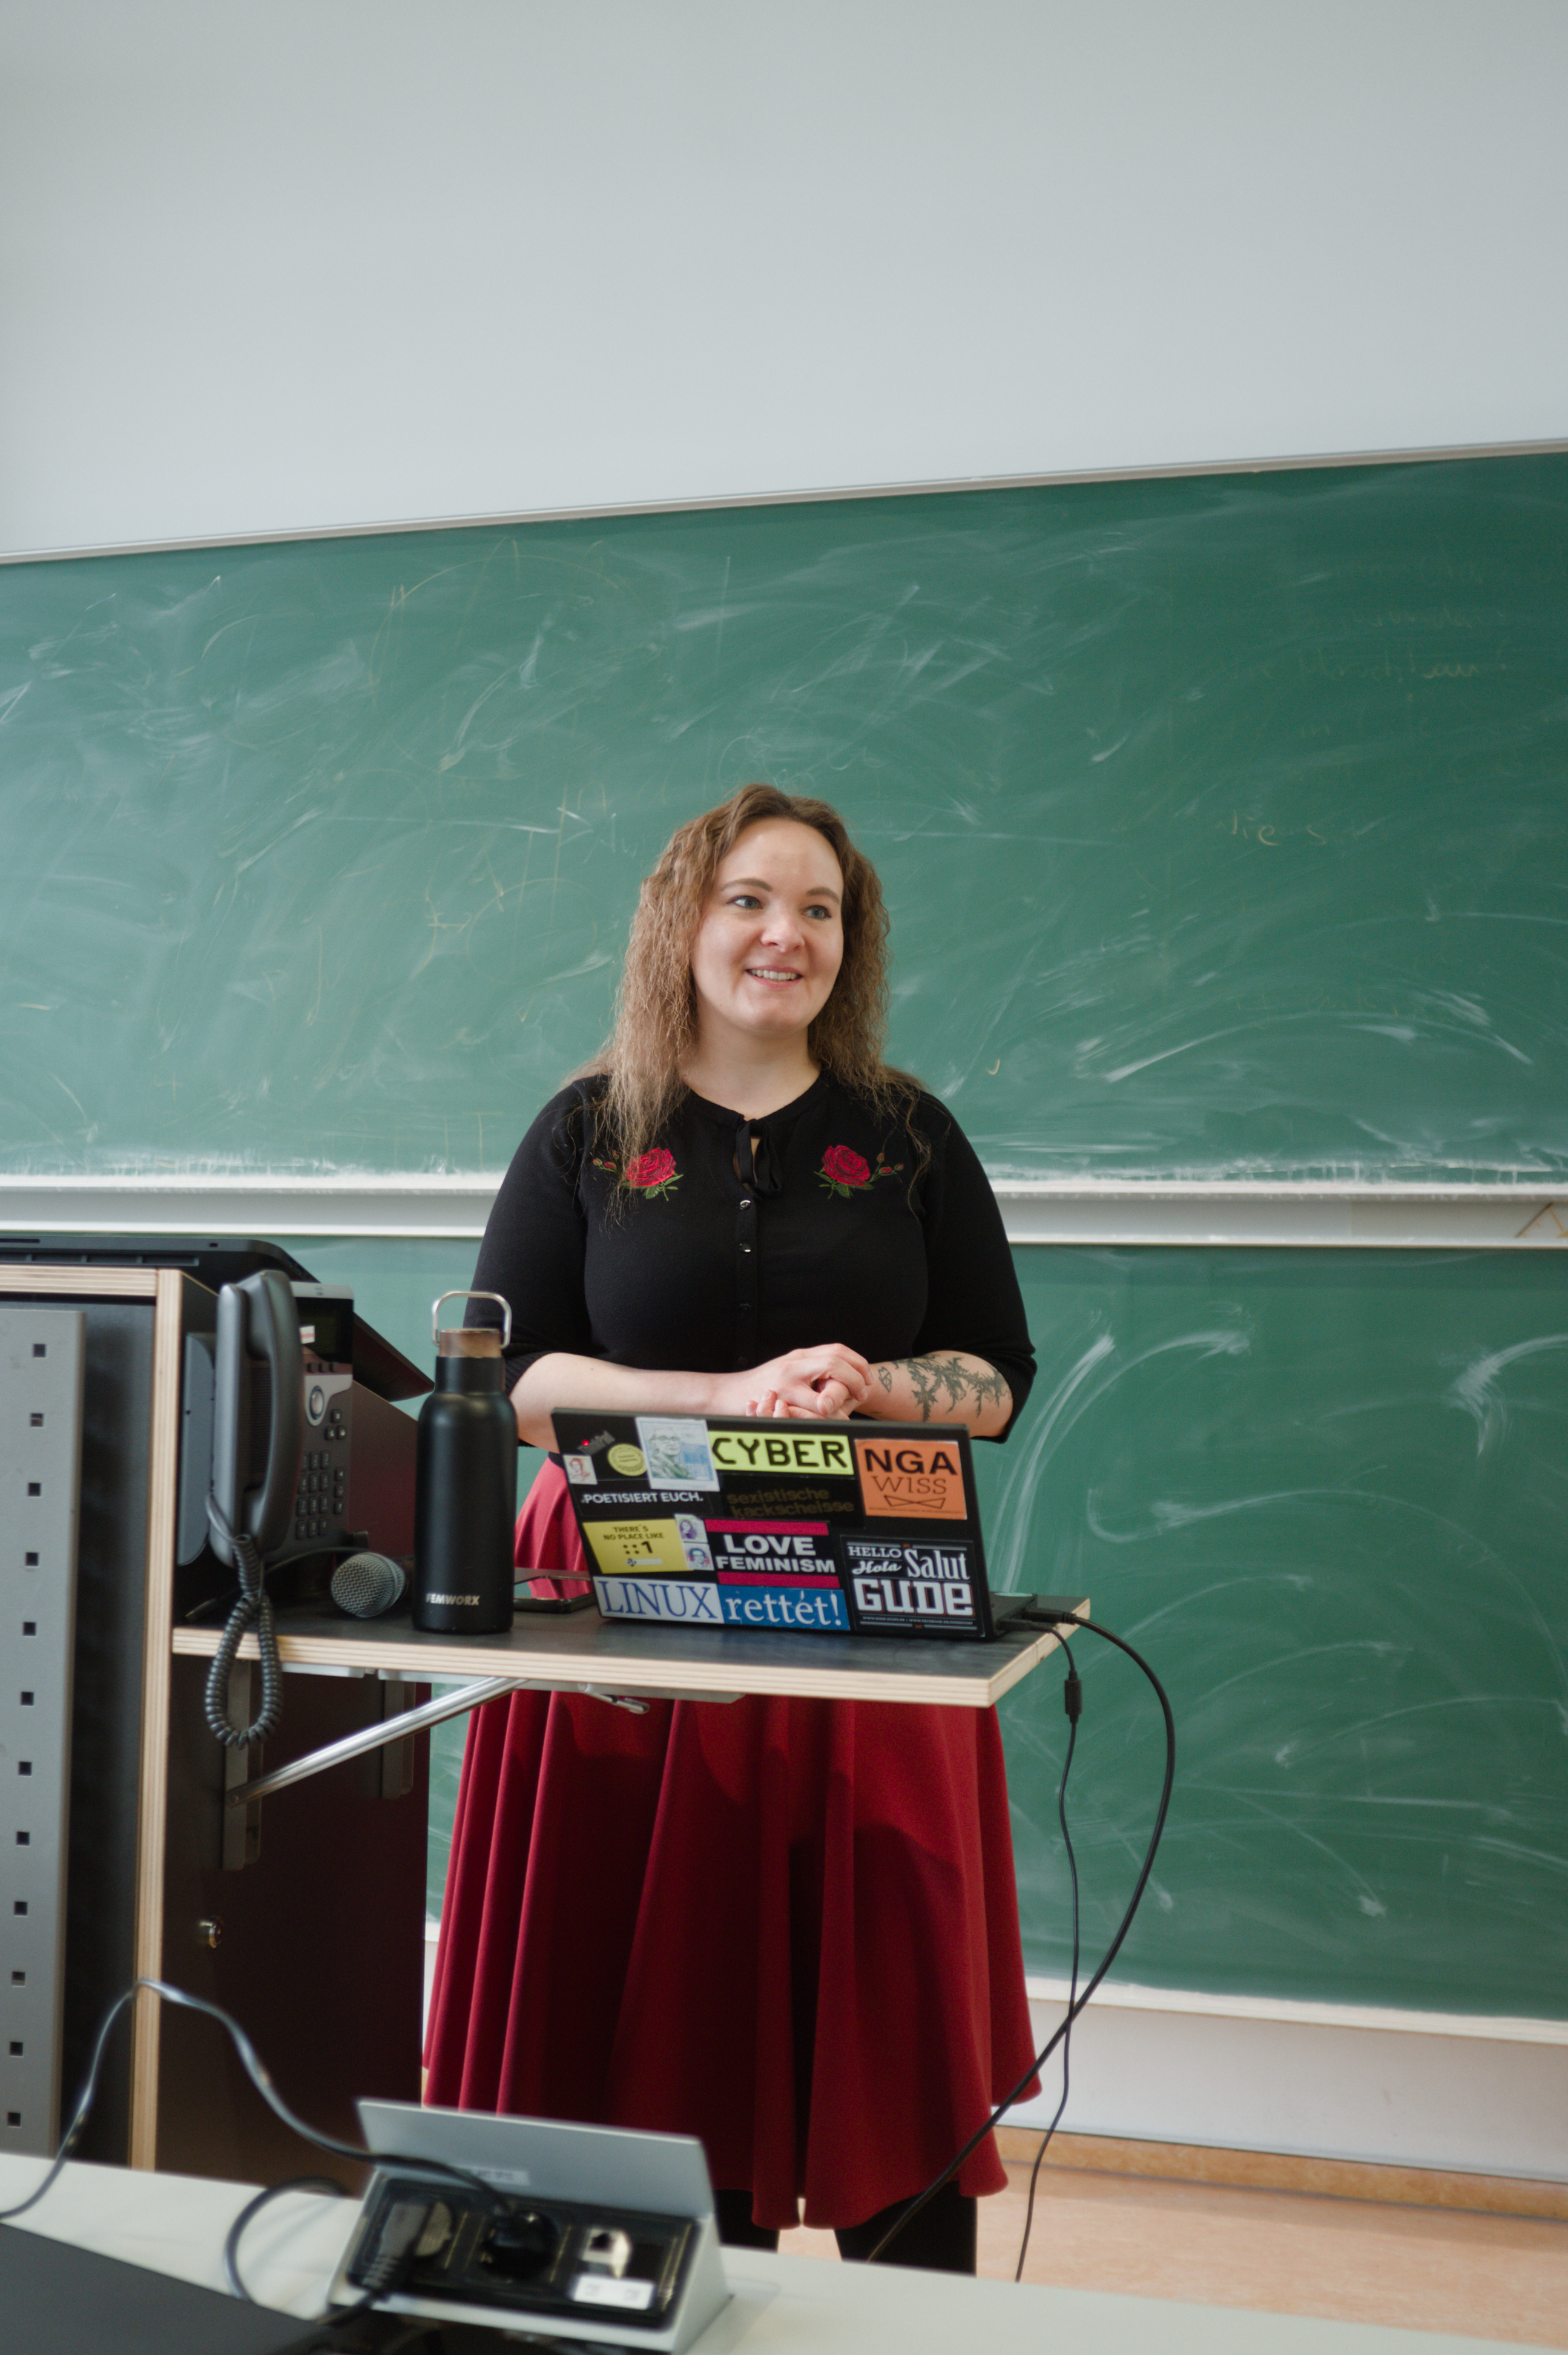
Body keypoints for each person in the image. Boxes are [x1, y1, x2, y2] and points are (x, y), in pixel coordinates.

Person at [424, 784, 1039, 2273]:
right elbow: (507, 1372)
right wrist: (723, 1388)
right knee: (649, 1991)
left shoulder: (906, 1135)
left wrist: (882, 1381)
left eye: (820, 908)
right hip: (620, 1595)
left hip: (866, 1603)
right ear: (681, 922)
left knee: (884, 1975)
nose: (786, 934)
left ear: (852, 940)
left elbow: (995, 1379)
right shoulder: (587, 1128)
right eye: (750, 899)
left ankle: (904, 2302)